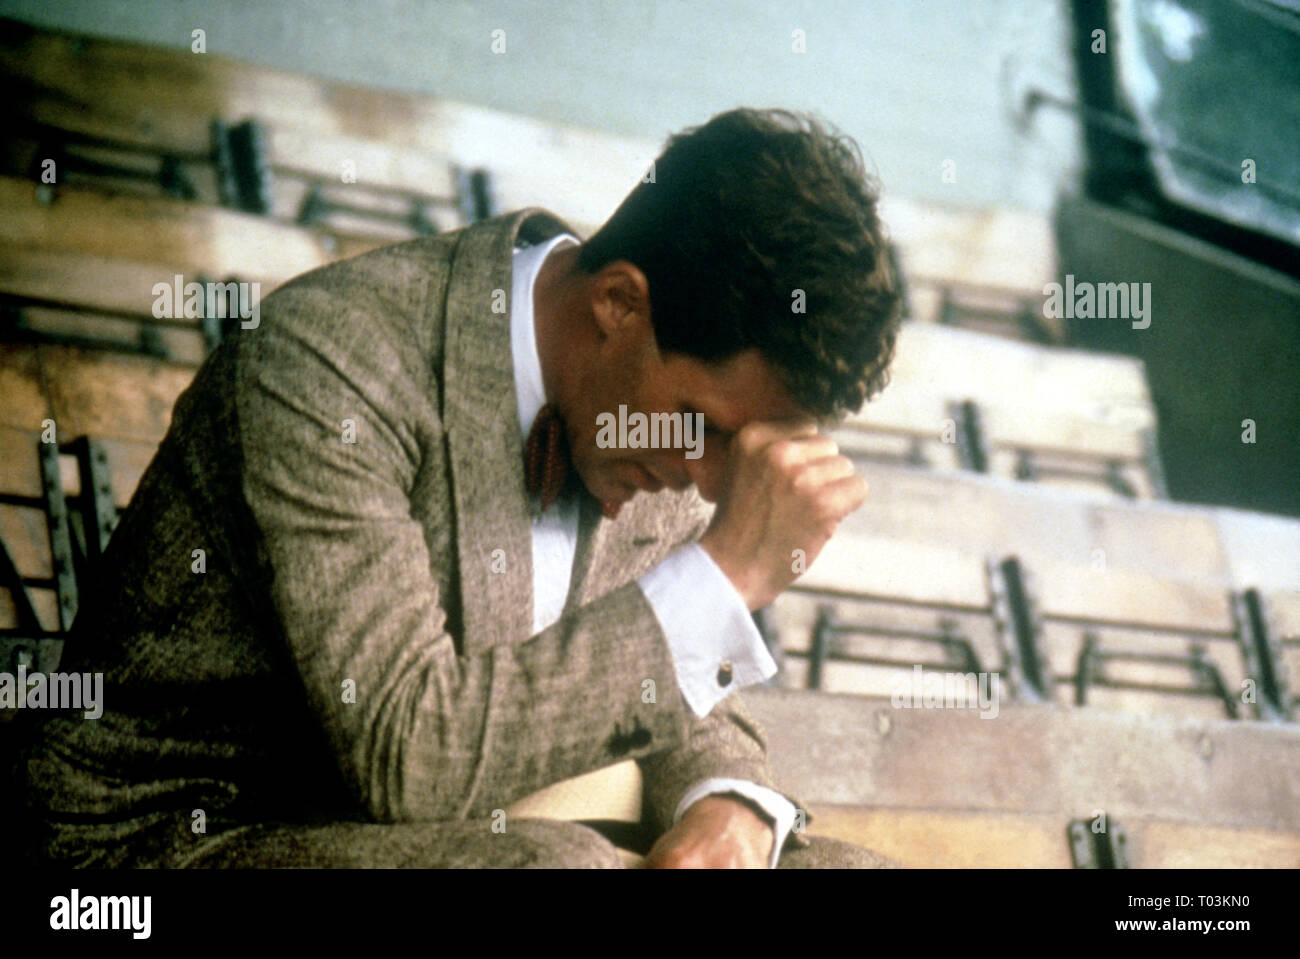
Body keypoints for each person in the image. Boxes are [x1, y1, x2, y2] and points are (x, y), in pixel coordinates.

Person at [18, 107, 901, 868]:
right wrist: (726, 574)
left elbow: (670, 682)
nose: (709, 481)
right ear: (619, 304)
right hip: (161, 849)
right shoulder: (331, 359)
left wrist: (730, 800)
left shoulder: (655, 408)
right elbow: (406, 756)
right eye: (706, 428)